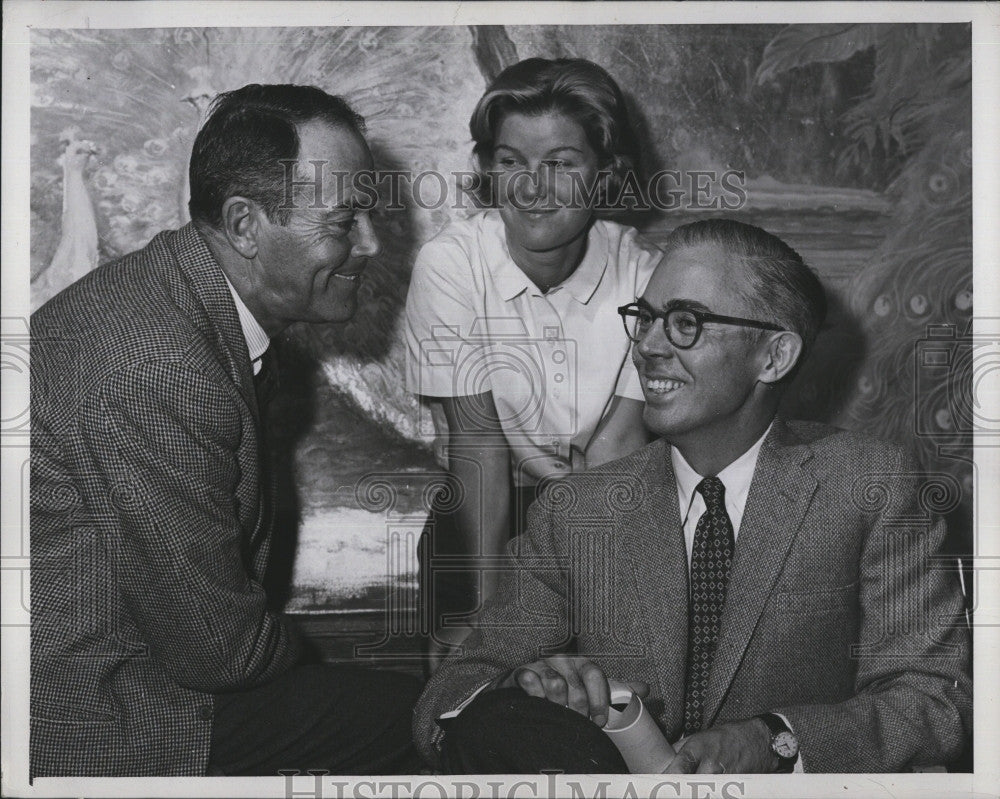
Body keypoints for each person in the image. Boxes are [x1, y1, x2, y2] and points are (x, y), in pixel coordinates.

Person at [413, 218, 972, 774]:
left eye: (687, 323)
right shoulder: (576, 511)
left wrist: (777, 740)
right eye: (646, 319)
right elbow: (450, 695)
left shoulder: (868, 488)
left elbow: (936, 701)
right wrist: (517, 691)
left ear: (774, 357)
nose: (647, 347)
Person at [30, 84, 422, 777]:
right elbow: (219, 649)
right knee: (423, 722)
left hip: (116, 669)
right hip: (93, 714)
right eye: (343, 221)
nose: (369, 243)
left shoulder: (167, 299)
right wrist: (309, 660)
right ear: (244, 225)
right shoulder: (159, 363)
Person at [404, 58, 661, 660]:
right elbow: (478, 446)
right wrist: (492, 625)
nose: (531, 188)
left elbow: (616, 452)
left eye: (561, 164)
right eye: (511, 161)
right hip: (487, 506)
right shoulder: (450, 265)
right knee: (468, 698)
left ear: (604, 173)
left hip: (610, 504)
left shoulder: (646, 275)